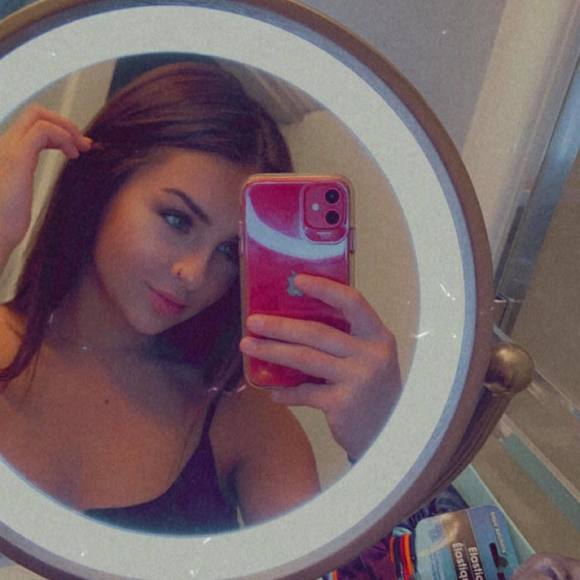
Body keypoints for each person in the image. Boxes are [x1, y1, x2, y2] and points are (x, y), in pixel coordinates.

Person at [0, 61, 402, 534]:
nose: (193, 274)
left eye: (230, 251)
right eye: (177, 220)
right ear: (102, 186)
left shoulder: (243, 421)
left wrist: (384, 444)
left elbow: (331, 563)